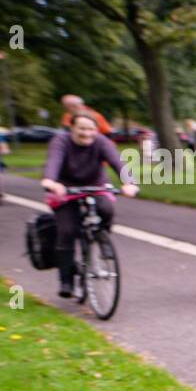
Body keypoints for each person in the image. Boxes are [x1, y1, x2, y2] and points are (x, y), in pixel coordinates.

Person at [40, 111, 140, 297]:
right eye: (82, 129)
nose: (87, 133)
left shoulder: (101, 142)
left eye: (91, 129)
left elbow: (117, 163)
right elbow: (54, 161)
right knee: (67, 230)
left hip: (95, 185)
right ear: (72, 128)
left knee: (106, 209)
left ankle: (102, 237)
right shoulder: (60, 141)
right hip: (65, 189)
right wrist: (51, 181)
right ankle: (66, 280)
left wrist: (129, 183)